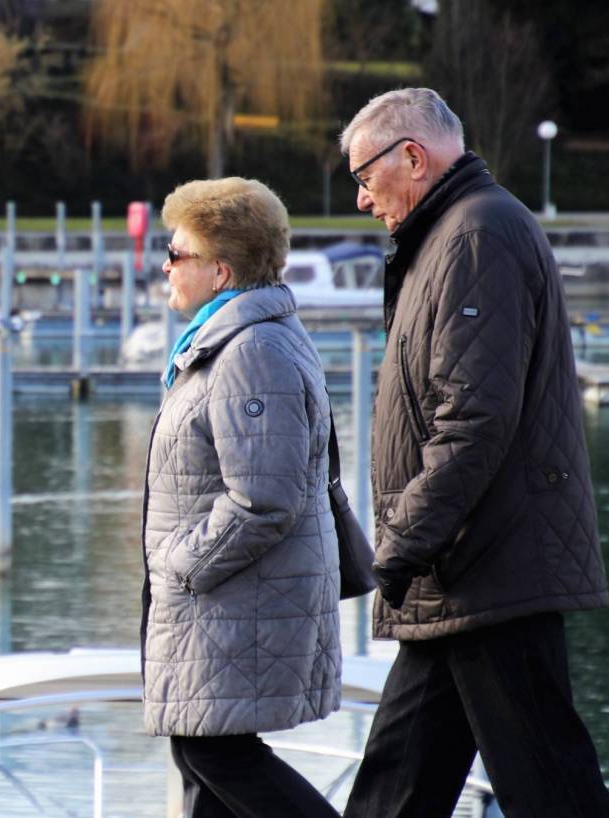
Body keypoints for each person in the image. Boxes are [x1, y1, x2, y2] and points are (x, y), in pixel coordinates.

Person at [338, 88, 609, 818]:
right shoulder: (453, 235)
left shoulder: (477, 236)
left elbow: (473, 419)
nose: (364, 200)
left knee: (552, 790)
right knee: (392, 793)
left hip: (491, 571)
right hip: (460, 572)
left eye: (365, 177)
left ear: (412, 156)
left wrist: (398, 546)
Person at [140, 177, 341, 818]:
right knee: (201, 760)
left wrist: (182, 566)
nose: (165, 266)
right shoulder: (224, 342)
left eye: (177, 254)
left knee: (216, 755)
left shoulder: (251, 351)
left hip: (227, 602)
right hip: (217, 605)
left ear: (220, 270)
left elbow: (263, 499)